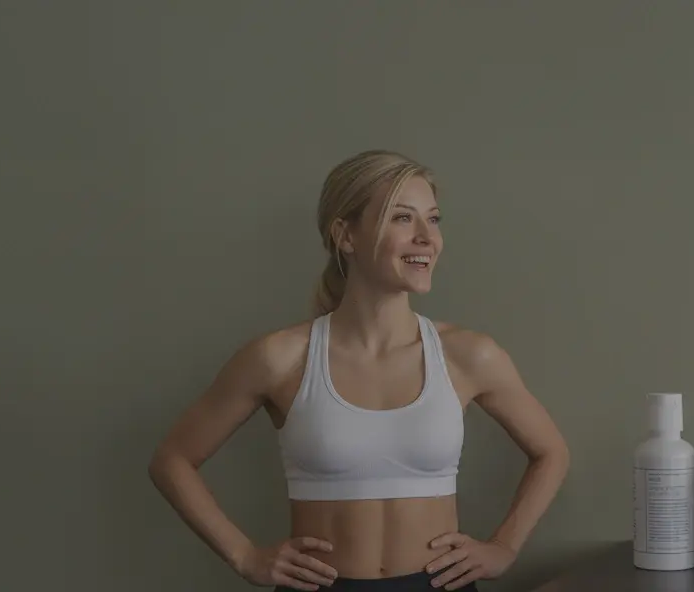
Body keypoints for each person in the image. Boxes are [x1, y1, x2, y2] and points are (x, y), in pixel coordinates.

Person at [147, 150, 570, 592]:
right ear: (345, 235)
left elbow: (551, 452)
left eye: (433, 219)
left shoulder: (469, 355)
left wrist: (504, 546)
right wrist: (245, 555)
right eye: (403, 218)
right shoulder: (279, 358)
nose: (427, 237)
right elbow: (172, 460)